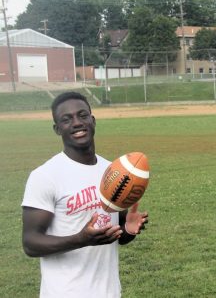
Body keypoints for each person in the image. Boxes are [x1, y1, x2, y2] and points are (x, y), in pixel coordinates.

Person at [22, 92, 149, 298]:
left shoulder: (113, 172)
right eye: (66, 119)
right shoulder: (45, 176)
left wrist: (128, 229)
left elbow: (115, 237)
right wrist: (81, 239)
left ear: (93, 120)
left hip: (109, 292)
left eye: (82, 115)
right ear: (57, 129)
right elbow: (30, 243)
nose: (77, 123)